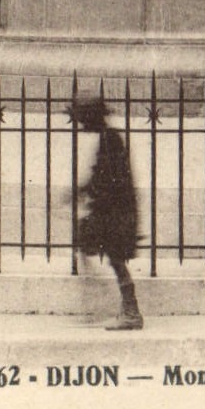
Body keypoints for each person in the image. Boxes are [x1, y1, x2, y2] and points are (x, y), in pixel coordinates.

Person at [73, 97, 142, 330]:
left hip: (115, 212)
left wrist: (89, 195)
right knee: (110, 256)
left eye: (83, 120)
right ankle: (125, 309)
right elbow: (101, 175)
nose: (81, 126)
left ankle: (128, 311)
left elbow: (109, 178)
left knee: (114, 257)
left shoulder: (110, 139)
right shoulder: (108, 138)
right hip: (112, 210)